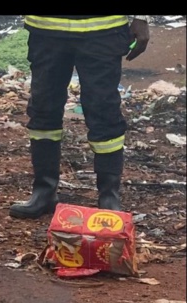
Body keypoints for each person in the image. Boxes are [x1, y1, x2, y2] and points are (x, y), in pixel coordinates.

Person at [10, 15, 150, 219]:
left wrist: (141, 17)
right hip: (47, 30)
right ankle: (44, 191)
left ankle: (109, 196)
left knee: (104, 111)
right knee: (43, 109)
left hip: (104, 30)